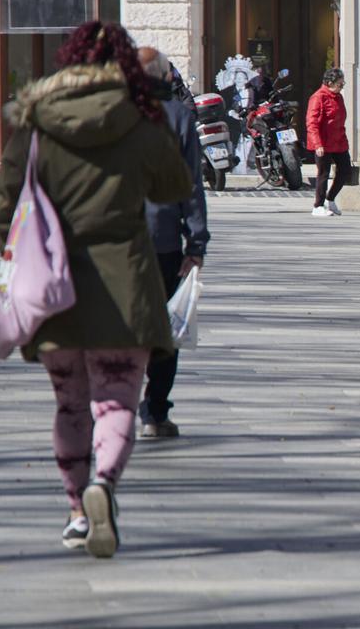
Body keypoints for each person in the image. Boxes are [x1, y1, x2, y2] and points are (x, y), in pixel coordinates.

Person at [0, 21, 192, 558]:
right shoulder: (140, 120)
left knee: (70, 406)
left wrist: (19, 252)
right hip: (125, 284)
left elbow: (2, 204)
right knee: (117, 399)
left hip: (54, 289)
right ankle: (104, 483)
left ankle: (78, 511)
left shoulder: (35, 125)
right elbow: (174, 186)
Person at [136, 47, 210, 439]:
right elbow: (191, 188)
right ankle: (154, 412)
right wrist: (196, 243)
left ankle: (113, 405)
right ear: (166, 79)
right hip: (162, 241)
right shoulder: (179, 118)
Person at [306, 68, 351, 217]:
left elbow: (340, 121)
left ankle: (330, 199)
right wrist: (317, 144)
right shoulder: (318, 97)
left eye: (342, 83)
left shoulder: (338, 97)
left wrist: (344, 141)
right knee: (323, 174)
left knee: (345, 170)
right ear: (330, 83)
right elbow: (312, 122)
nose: (341, 86)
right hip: (323, 143)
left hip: (338, 141)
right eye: (339, 84)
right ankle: (318, 206)